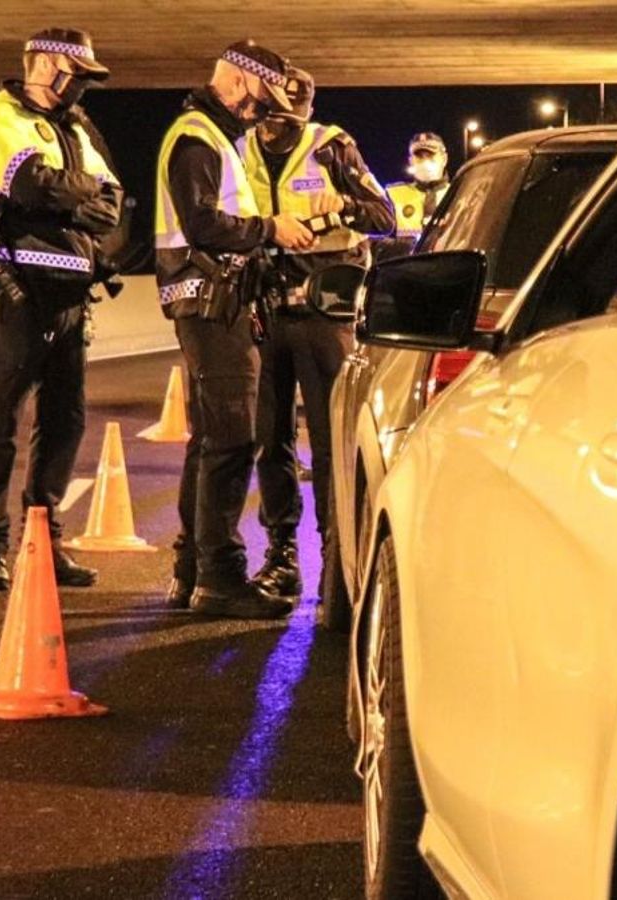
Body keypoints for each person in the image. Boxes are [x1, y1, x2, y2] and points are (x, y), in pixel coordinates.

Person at [155, 40, 316, 619]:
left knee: (208, 443)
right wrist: (269, 228)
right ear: (244, 82)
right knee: (230, 440)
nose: (262, 111)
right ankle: (220, 579)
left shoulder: (214, 137)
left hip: (207, 299)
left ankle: (192, 571)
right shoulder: (199, 135)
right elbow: (200, 222)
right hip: (211, 301)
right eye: (263, 98)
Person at [0, 27, 120, 591]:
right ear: (50, 65)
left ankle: (43, 543)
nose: (83, 86)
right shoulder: (1, 114)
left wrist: (72, 193)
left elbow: (112, 205)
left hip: (72, 296)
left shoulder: (78, 129)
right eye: (78, 74)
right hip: (20, 294)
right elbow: (30, 187)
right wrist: (80, 195)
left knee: (64, 424)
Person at [242, 66, 396, 609]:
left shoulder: (332, 147)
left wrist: (344, 206)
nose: (268, 128)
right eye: (263, 116)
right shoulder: (240, 149)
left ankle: (336, 558)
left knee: (331, 441)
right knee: (270, 437)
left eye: (280, 120)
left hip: (324, 313)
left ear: (300, 114)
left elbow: (385, 215)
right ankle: (282, 556)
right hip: (266, 309)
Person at [381, 132, 451, 256]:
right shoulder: (393, 195)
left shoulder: (457, 194)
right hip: (405, 270)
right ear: (411, 161)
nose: (425, 161)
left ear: (444, 159)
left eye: (430, 155)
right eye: (419, 156)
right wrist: (408, 245)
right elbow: (377, 241)